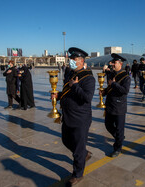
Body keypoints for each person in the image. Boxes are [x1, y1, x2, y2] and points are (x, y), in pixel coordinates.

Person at [51, 47, 95, 186]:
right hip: (68, 116)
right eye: (71, 59)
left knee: (77, 149)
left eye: (74, 60)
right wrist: (57, 96)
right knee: (66, 141)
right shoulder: (71, 75)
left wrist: (75, 86)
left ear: (81, 61)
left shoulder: (89, 78)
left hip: (80, 118)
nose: (71, 62)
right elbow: (67, 93)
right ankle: (84, 153)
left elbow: (87, 98)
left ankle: (77, 174)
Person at [100, 53, 131, 158]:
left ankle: (117, 148)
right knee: (108, 125)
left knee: (119, 129)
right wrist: (104, 91)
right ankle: (120, 138)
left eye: (114, 62)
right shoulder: (111, 74)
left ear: (120, 64)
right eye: (112, 62)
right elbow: (109, 88)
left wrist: (114, 84)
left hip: (119, 106)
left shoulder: (126, 77)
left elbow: (125, 91)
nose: (112, 64)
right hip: (110, 105)